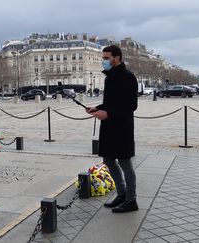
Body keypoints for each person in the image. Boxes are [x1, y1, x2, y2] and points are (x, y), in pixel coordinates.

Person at [86, 45, 138, 213]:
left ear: (117, 57)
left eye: (106, 58)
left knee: (125, 162)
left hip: (122, 126)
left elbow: (131, 105)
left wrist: (108, 114)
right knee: (108, 160)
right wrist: (97, 108)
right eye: (103, 58)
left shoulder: (128, 77)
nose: (104, 61)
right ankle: (122, 194)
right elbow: (110, 103)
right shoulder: (109, 78)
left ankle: (131, 200)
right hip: (109, 126)